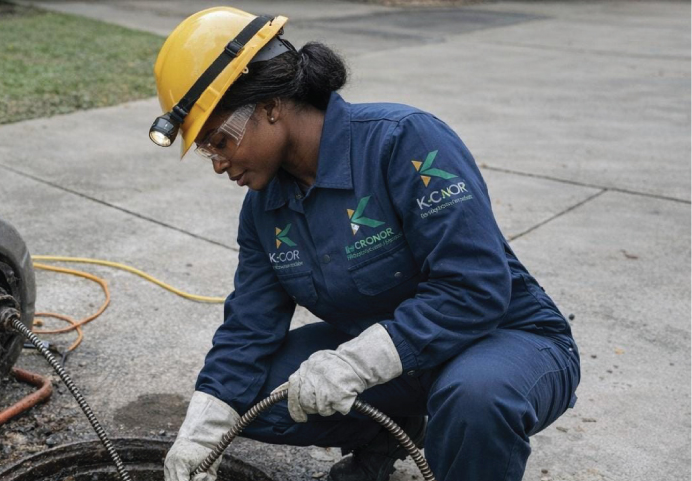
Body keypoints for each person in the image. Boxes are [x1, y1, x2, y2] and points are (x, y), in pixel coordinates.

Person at [149, 7, 581, 481]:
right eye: (207, 151)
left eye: (219, 140)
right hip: (397, 363)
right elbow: (250, 325)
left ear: (271, 105)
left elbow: (474, 287)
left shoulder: (404, 142)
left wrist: (355, 364)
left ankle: (459, 436)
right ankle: (389, 436)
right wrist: (202, 429)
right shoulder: (263, 209)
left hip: (502, 340)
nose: (217, 163)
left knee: (475, 398)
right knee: (247, 396)